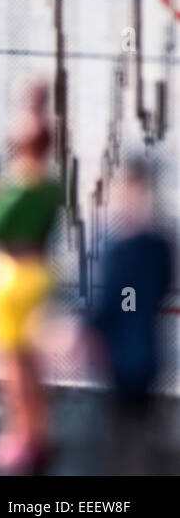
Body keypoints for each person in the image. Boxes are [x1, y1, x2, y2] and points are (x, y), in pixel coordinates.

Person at [0, 81, 61, 474]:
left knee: (12, 366)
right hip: (39, 271)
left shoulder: (16, 188)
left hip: (11, 276)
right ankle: (39, 432)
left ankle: (21, 435)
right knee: (32, 360)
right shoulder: (51, 185)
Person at [87, 154, 173, 472]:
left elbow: (112, 303)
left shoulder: (123, 247)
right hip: (139, 353)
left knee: (125, 430)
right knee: (134, 427)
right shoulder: (155, 245)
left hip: (128, 355)